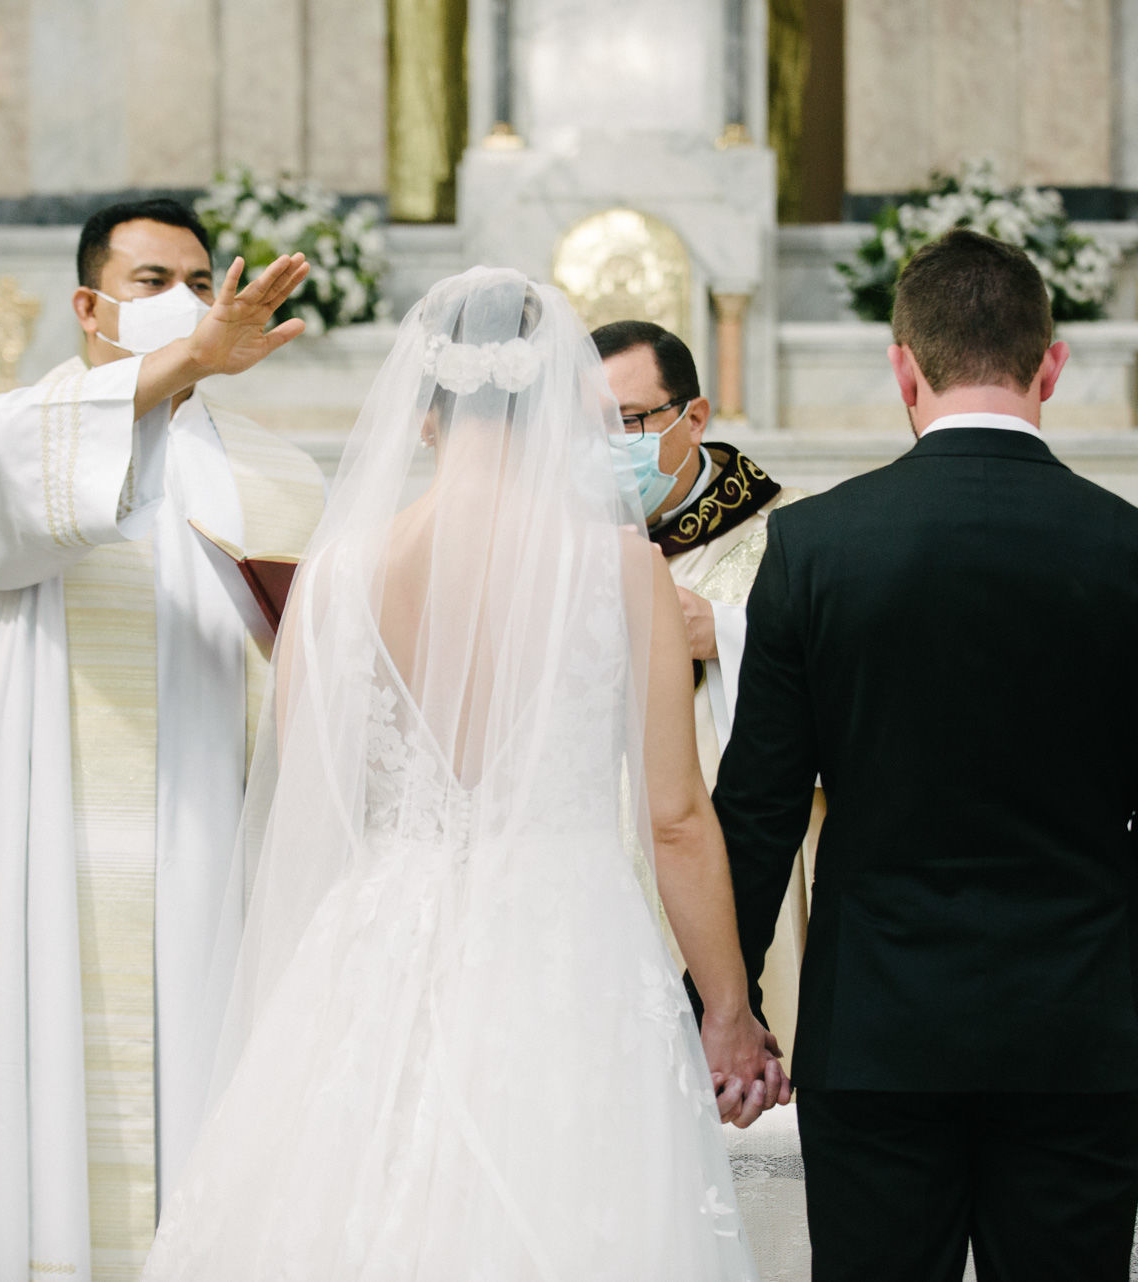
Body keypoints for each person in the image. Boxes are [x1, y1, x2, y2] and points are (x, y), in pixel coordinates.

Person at [141, 268, 786, 1281]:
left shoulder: (338, 572)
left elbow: (316, 808)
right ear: (557, 412)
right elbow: (674, 819)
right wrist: (729, 1007)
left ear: (426, 416)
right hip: (568, 941)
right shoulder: (621, 568)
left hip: (381, 935)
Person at [713, 228, 1138, 1280]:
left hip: (875, 1032)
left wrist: (729, 1009)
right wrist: (1092, 922)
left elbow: (757, 807)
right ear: (1053, 362)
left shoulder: (815, 549)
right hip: (1078, 1032)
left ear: (903, 364)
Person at [0, 198, 325, 1282]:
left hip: (226, 840)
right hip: (74, 852)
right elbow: (10, 502)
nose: (189, 304)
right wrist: (187, 359)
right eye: (152, 282)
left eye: (200, 282)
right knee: (74, 1093)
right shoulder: (13, 432)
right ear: (88, 304)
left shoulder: (279, 475)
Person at [594, 319, 815, 1054]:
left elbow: (848, 677)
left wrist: (721, 633)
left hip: (741, 855)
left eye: (627, 421)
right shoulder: (557, 537)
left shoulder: (795, 535)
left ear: (693, 418)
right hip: (597, 863)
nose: (607, 445)